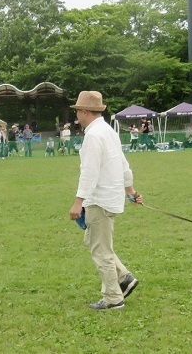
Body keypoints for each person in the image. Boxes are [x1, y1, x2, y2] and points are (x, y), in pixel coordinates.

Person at [69, 91, 142, 310]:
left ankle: (113, 298)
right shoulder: (108, 131)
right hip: (111, 198)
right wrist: (131, 191)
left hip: (99, 200)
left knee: (100, 250)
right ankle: (124, 278)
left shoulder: (93, 135)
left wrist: (78, 202)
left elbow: (89, 173)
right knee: (95, 242)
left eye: (78, 112)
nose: (77, 117)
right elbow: (123, 164)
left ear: (84, 111)